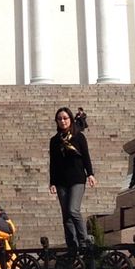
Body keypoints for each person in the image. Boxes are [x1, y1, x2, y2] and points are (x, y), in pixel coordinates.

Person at [48, 106, 96, 251]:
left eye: (65, 118)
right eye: (59, 119)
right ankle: (72, 246)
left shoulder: (78, 137)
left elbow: (86, 156)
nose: (63, 121)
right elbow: (53, 163)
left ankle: (84, 240)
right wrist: (52, 182)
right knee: (66, 215)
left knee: (73, 209)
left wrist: (90, 174)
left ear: (70, 119)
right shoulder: (54, 140)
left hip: (77, 178)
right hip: (61, 181)